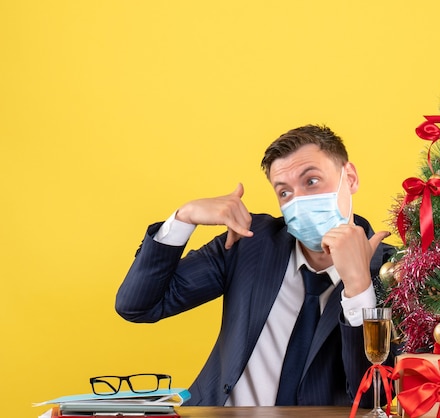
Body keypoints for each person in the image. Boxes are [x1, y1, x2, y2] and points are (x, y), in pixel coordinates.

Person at [115, 124, 395, 407]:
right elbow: (138, 306)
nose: (298, 201)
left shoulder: (395, 271)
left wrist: (359, 288)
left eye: (311, 181)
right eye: (284, 193)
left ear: (350, 178)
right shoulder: (249, 242)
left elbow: (376, 396)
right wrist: (184, 218)